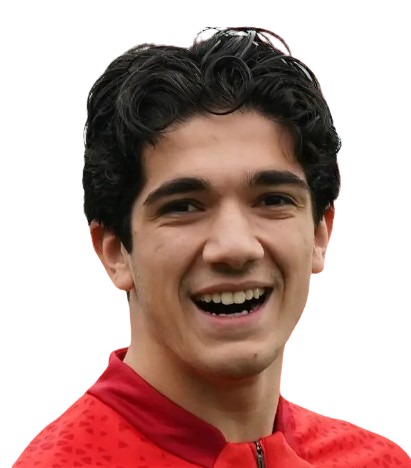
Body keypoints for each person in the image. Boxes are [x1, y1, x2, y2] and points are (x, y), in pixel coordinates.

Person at [13, 26, 410, 467]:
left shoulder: (381, 462)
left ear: (321, 233)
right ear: (114, 251)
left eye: (273, 200)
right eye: (183, 206)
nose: (235, 247)